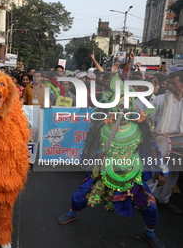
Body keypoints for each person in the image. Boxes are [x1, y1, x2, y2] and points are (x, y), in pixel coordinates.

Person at [57, 74, 168, 248]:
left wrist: (160, 171)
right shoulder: (101, 127)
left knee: (150, 207)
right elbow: (89, 151)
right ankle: (73, 212)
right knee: (80, 196)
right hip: (104, 171)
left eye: (126, 105)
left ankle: (150, 232)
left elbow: (152, 148)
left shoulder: (140, 127)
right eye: (118, 105)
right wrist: (96, 156)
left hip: (132, 173)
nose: (122, 109)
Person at [151, 71, 183, 214]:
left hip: (179, 145)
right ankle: (147, 199)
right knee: (155, 173)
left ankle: (163, 199)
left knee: (173, 175)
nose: (169, 86)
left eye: (173, 83)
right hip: (161, 143)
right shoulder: (160, 99)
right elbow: (148, 117)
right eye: (168, 82)